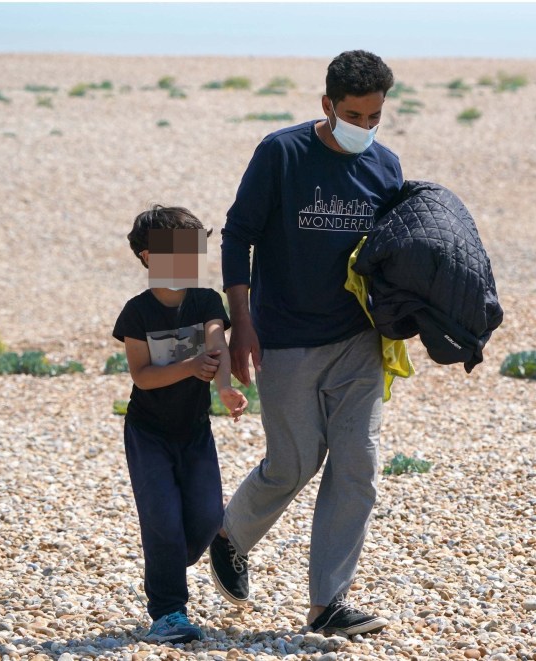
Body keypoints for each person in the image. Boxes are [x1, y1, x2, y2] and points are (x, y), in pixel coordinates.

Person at [210, 50, 403, 636]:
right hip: (285, 338)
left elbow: (397, 250)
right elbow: (237, 236)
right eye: (353, 115)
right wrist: (241, 322)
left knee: (358, 466)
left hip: (359, 341)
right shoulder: (282, 153)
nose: (364, 128)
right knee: (293, 462)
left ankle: (328, 605)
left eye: (374, 117)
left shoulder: (385, 168)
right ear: (327, 105)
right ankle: (230, 539)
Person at [113, 205, 248, 643]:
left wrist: (223, 386)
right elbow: (143, 376)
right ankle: (168, 612)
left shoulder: (208, 301)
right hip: (148, 433)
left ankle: (178, 557)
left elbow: (216, 341)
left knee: (208, 518)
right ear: (148, 256)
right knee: (161, 521)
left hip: (194, 432)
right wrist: (190, 368)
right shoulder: (136, 313)